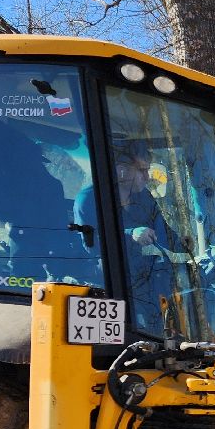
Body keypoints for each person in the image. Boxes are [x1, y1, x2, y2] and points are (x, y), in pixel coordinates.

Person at [75, 140, 176, 332]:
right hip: (105, 282)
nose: (147, 177)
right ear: (122, 171)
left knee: (161, 326)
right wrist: (130, 235)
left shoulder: (143, 196)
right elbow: (91, 245)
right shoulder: (88, 199)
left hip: (141, 276)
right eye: (142, 170)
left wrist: (187, 245)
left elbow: (163, 231)